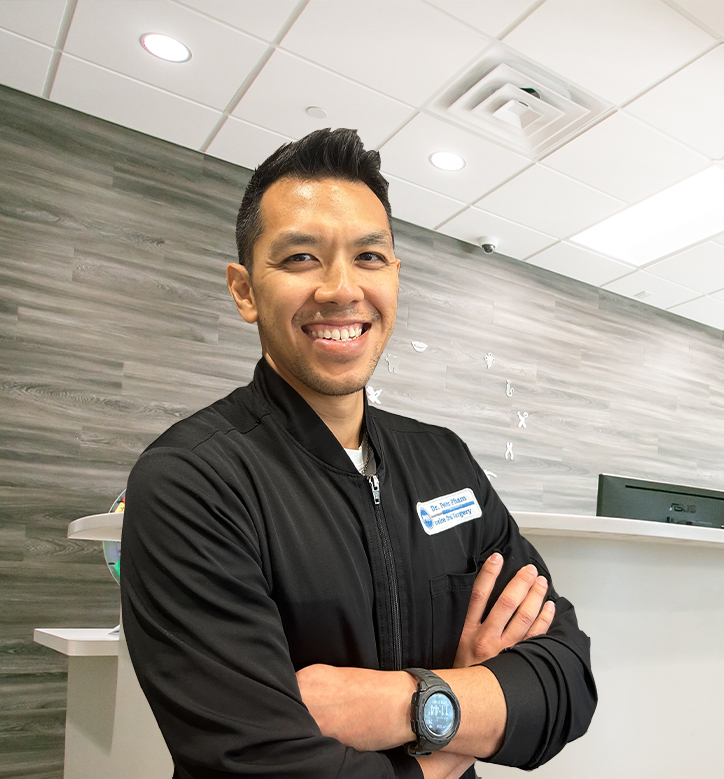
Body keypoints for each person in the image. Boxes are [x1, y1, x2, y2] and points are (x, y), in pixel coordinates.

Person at [120, 128, 597, 779]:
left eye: (369, 256)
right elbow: (255, 762)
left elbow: (566, 680)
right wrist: (456, 739)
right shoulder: (191, 482)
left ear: (395, 277)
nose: (341, 288)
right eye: (300, 259)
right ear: (244, 289)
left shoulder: (444, 458)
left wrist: (410, 702)